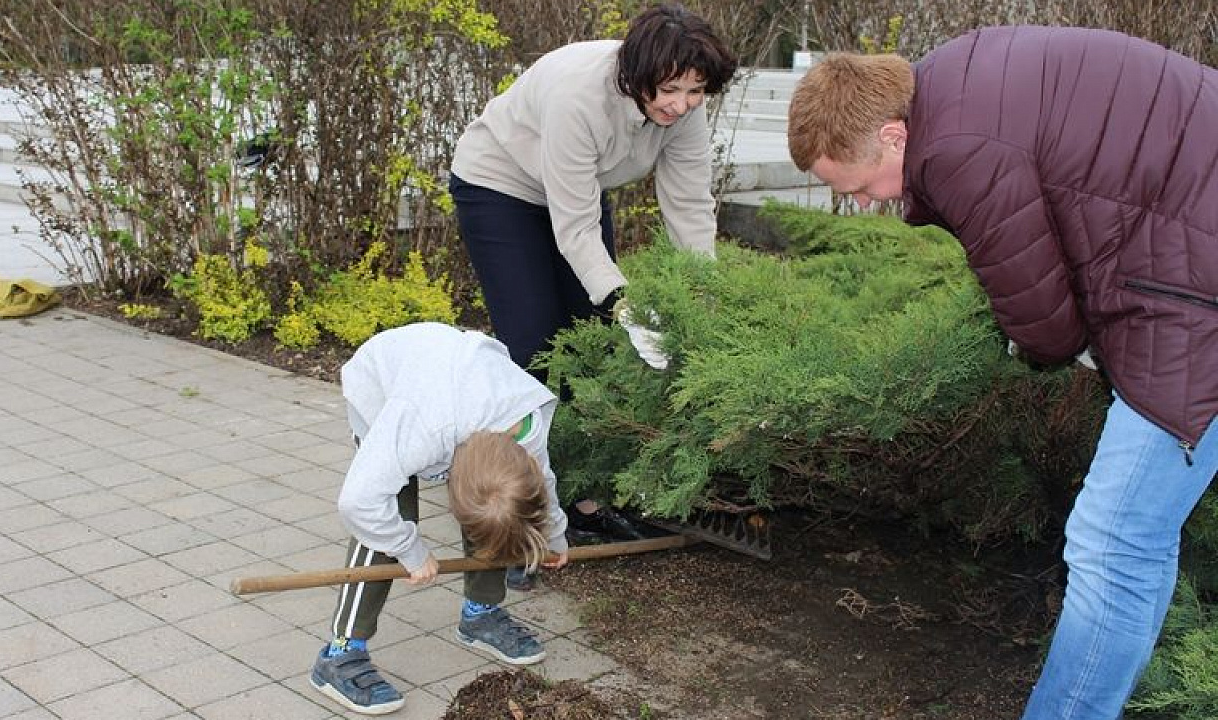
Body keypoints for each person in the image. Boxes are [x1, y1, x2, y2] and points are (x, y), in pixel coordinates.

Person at [787, 26, 1218, 720]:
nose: (866, 205)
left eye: (860, 187)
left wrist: (1043, 346)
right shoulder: (957, 81)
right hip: (1185, 248)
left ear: (893, 137)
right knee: (1136, 536)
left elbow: (1045, 325)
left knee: (1110, 541)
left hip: (1192, 288)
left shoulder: (955, 151)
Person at [449, 3, 737, 578]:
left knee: (592, 347)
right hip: (500, 188)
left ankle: (585, 500)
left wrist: (702, 293)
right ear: (638, 74)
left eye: (697, 90)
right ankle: (511, 518)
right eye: (672, 88)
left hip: (574, 193)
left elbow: (688, 205)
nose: (682, 103)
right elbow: (575, 230)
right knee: (536, 351)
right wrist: (623, 302)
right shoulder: (579, 96)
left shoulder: (684, 113)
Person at [310, 322, 570, 715]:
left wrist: (554, 537)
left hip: (452, 384)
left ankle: (480, 614)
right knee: (389, 512)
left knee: (497, 507)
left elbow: (541, 483)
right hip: (385, 389)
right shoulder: (419, 428)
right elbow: (358, 503)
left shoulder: (526, 422)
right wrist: (409, 551)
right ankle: (341, 651)